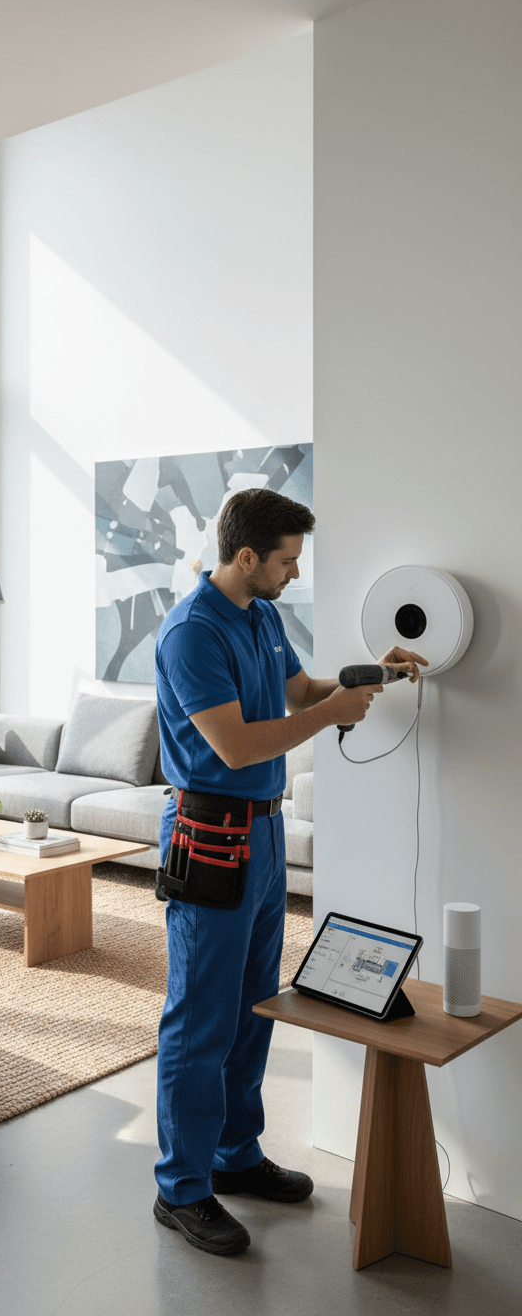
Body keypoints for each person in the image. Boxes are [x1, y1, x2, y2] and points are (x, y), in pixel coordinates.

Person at [152, 487, 427, 1257]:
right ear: (247, 557)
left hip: (265, 838)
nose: (292, 574)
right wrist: (332, 714)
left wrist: (381, 672)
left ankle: (236, 1157)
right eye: (285, 561)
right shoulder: (191, 633)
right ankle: (181, 1188)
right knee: (200, 1016)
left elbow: (299, 692)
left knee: (252, 1008)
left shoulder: (262, 616)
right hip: (212, 835)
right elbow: (238, 747)